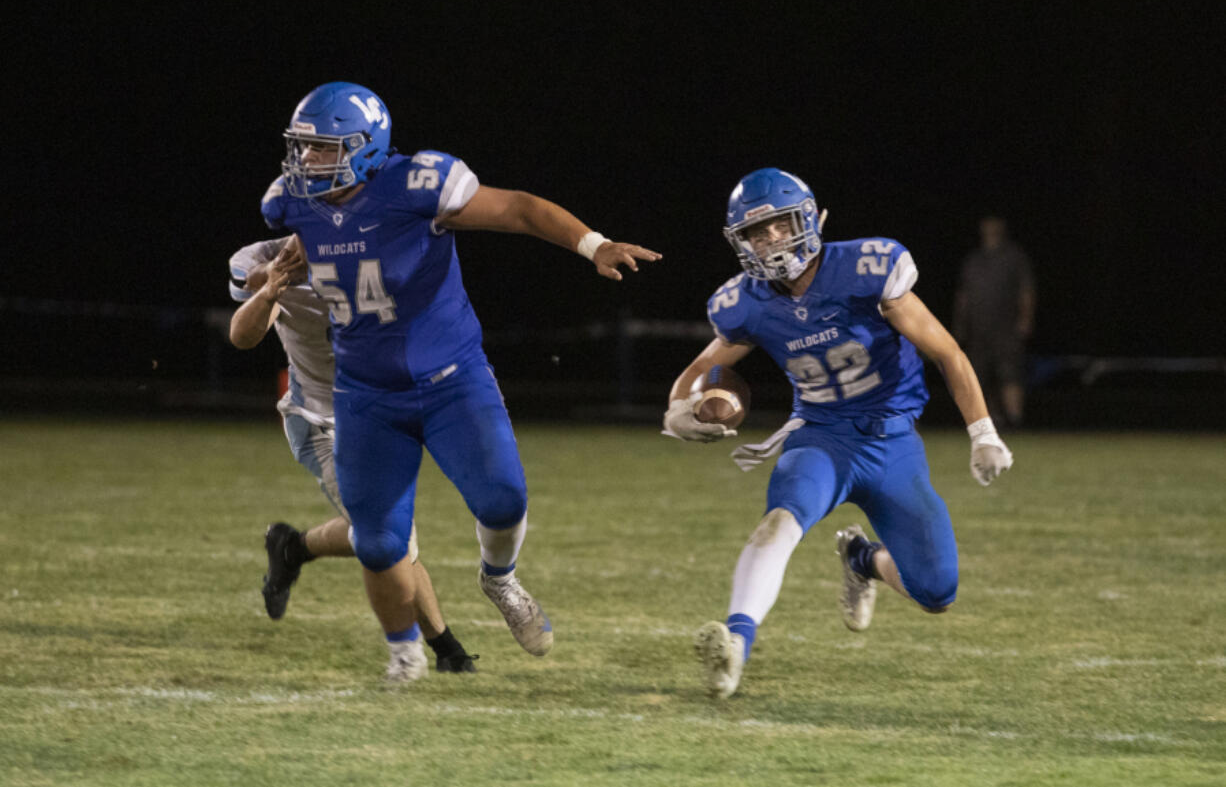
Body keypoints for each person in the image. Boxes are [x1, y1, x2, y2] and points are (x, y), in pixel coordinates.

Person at [259, 81, 661, 678]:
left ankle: (499, 579)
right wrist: (299, 248)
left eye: (323, 149)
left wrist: (593, 245)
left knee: (504, 501)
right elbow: (332, 231)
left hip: (452, 379)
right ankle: (404, 655)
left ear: (367, 148)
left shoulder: (418, 184)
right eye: (304, 148)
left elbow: (520, 208)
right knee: (377, 543)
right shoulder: (289, 202)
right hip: (367, 393)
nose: (307, 161)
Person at [663, 168, 1013, 699]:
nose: (772, 240)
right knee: (778, 523)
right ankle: (735, 646)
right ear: (742, 242)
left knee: (937, 592)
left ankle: (862, 560)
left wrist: (983, 431)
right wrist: (678, 410)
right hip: (821, 437)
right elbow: (700, 369)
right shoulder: (747, 302)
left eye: (780, 225)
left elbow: (946, 352)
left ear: (807, 218)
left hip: (892, 442)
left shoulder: (867, 268)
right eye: (758, 233)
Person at [228, 235, 477, 680]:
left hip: (379, 414)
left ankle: (293, 547)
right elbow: (242, 336)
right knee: (392, 535)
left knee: (378, 531)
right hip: (320, 419)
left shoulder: (374, 248)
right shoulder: (261, 260)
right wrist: (269, 289)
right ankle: (445, 649)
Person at [953, 216, 1035, 426]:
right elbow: (963, 295)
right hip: (978, 328)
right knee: (979, 375)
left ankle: (1015, 419)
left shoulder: (1014, 256)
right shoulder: (974, 259)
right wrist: (960, 324)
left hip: (1006, 327)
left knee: (1009, 373)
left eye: (995, 227)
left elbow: (1026, 291)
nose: (990, 230)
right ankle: (987, 420)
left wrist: (1025, 319)